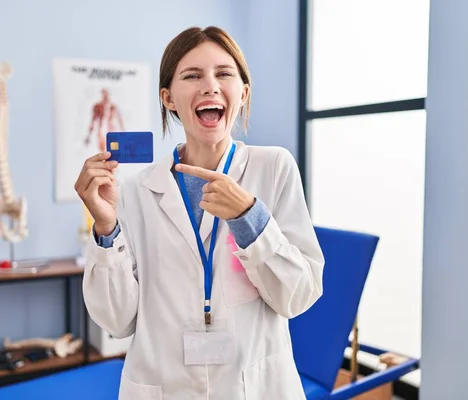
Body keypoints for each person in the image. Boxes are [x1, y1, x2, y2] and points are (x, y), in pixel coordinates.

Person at [75, 26, 324, 400]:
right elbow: (116, 320)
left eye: (224, 73)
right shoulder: (135, 190)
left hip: (252, 385)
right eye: (192, 76)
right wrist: (106, 228)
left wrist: (250, 219)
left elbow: (298, 296)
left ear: (243, 92)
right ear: (169, 98)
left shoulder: (274, 168)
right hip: (165, 385)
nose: (210, 86)